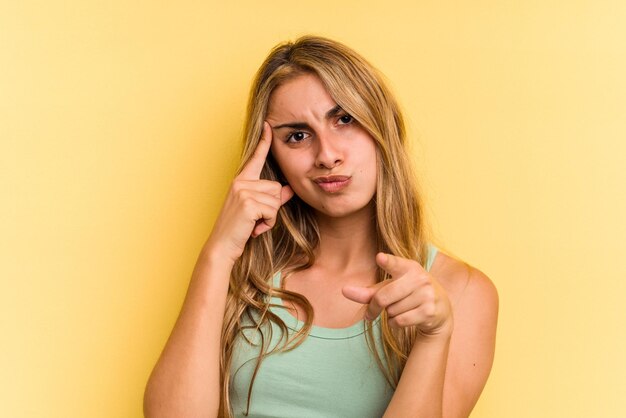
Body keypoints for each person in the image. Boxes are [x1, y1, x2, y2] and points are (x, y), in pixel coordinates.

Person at [143, 35, 499, 418]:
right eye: (297, 136)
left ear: (383, 127)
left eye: (344, 120)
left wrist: (433, 336)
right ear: (272, 158)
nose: (327, 155)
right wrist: (217, 254)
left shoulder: (460, 292)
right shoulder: (244, 272)